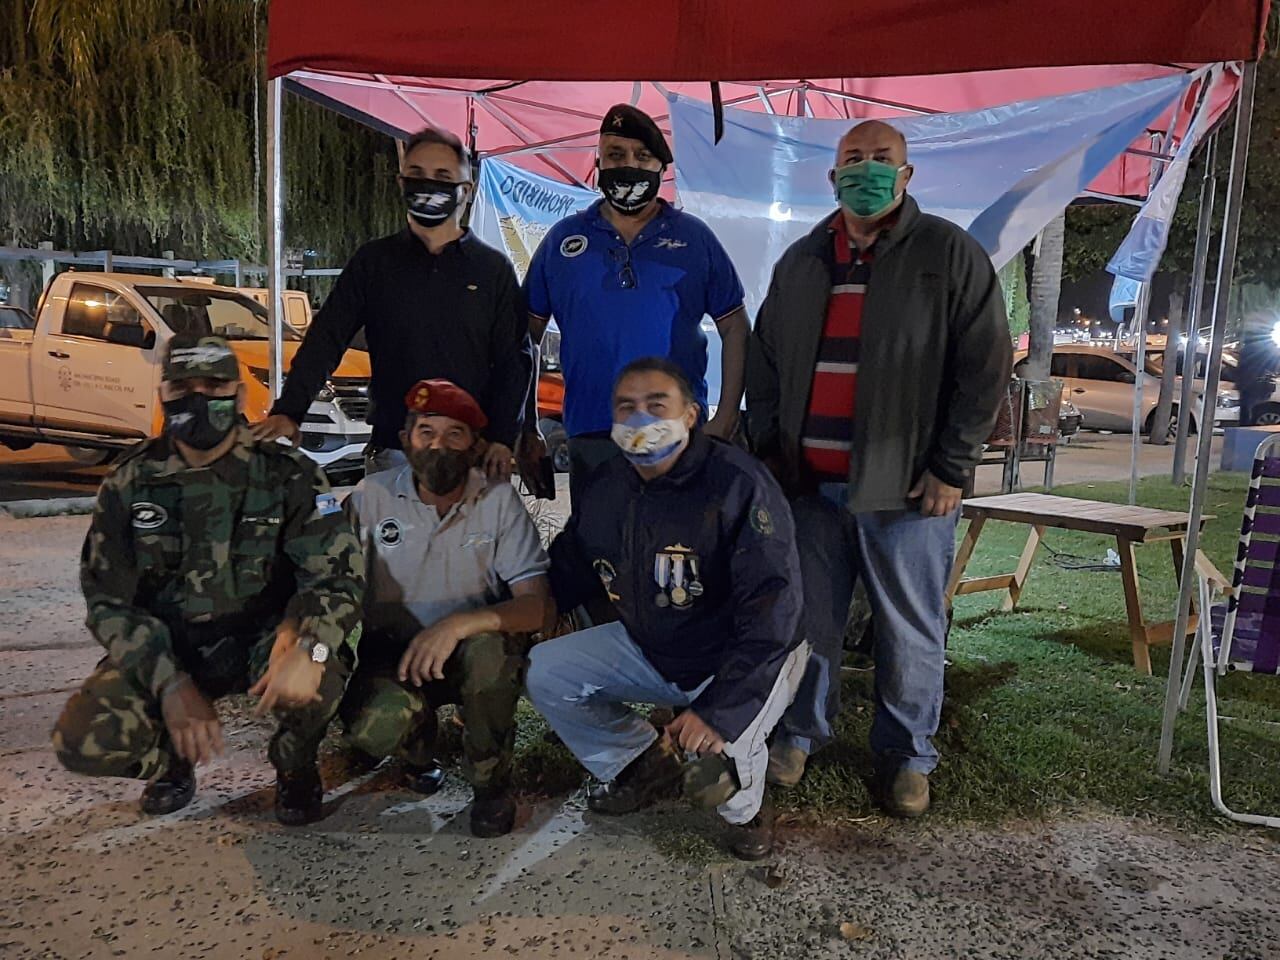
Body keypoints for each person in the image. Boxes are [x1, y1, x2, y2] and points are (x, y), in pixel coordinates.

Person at [746, 120, 1012, 816]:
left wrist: (953, 466)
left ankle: (907, 754)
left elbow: (984, 370)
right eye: (853, 159)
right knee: (809, 623)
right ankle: (799, 735)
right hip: (810, 489)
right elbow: (767, 363)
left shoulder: (948, 255)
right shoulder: (802, 262)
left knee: (910, 629)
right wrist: (772, 454)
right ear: (832, 177)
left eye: (881, 159)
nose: (866, 169)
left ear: (907, 174)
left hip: (908, 491)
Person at [53, 334, 365, 825]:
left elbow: (338, 577)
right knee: (81, 739)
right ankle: (170, 759)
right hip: (172, 647)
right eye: (183, 388)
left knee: (319, 671)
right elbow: (107, 601)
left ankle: (295, 765)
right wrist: (169, 683)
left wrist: (311, 641)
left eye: (214, 385)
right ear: (163, 396)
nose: (199, 398)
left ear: (240, 396)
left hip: (268, 641)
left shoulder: (286, 474)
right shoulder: (131, 482)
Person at [526, 357, 808, 860]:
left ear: (692, 414)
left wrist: (719, 712)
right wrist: (515, 614)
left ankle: (747, 812)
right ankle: (641, 763)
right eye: (626, 407)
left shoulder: (737, 483)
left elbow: (772, 613)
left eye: (657, 405)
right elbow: (571, 565)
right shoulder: (609, 484)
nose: (640, 420)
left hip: (743, 659)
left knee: (709, 778)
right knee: (547, 673)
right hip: (654, 646)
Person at [340, 378, 554, 837]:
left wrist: (458, 625)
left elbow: (536, 607)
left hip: (469, 652)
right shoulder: (369, 499)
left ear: (475, 445)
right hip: (394, 655)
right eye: (426, 432)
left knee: (490, 656)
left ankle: (491, 783)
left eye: (455, 434)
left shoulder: (498, 501)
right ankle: (417, 748)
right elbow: (332, 589)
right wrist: (313, 657)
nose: (439, 445)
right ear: (405, 440)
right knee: (372, 729)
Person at [254, 126, 532, 480]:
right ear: (401, 183)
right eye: (417, 175)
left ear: (466, 190)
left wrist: (503, 438)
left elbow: (514, 360)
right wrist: (290, 410)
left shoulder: (493, 270)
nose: (429, 184)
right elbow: (327, 338)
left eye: (442, 176)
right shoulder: (374, 263)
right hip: (393, 455)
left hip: (472, 456)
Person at [522, 104, 750, 503]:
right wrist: (526, 426)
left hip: (678, 434)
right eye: (615, 155)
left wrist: (727, 415)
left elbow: (734, 326)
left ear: (662, 168)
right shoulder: (562, 242)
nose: (628, 166)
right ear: (598, 163)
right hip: (592, 434)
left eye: (642, 157)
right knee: (599, 559)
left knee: (680, 558)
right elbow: (524, 339)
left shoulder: (695, 239)